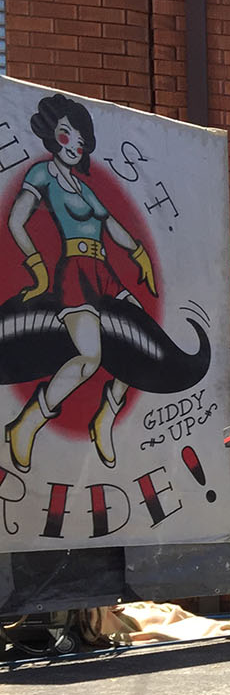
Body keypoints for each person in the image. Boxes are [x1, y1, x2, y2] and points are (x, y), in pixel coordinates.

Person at [5, 92, 159, 472]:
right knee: (90, 356)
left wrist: (139, 255)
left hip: (105, 273)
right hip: (74, 272)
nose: (73, 144)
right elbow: (15, 221)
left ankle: (105, 415)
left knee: (142, 343)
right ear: (51, 137)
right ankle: (27, 424)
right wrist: (38, 267)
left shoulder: (84, 187)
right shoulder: (43, 174)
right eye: (63, 134)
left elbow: (113, 227)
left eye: (78, 137)